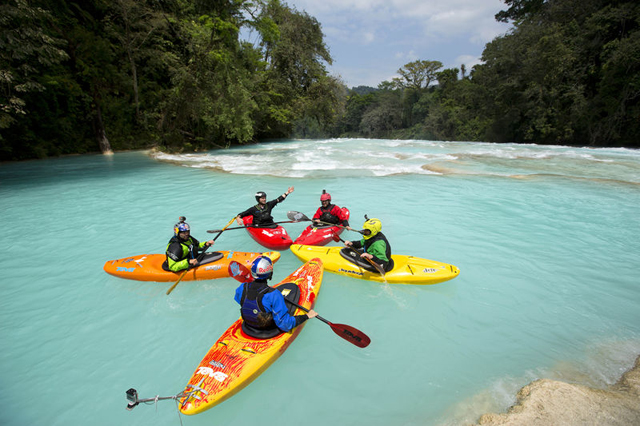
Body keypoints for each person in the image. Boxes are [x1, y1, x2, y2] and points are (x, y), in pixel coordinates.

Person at [234, 256, 317, 337]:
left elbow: (242, 301)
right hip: (267, 330)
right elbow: (285, 324)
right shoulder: (273, 294)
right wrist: (306, 316)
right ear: (269, 273)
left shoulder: (242, 288)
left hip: (248, 326)